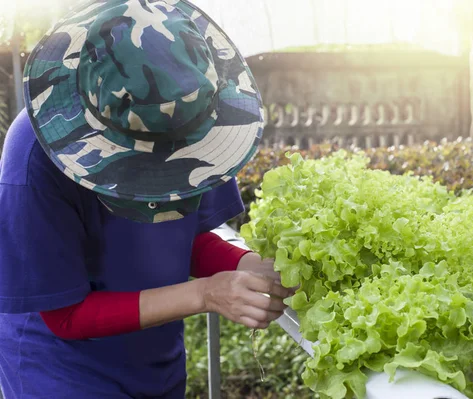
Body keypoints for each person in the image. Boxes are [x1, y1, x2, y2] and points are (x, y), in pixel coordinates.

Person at [0, 1, 294, 397]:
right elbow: (65, 316)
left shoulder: (197, 119)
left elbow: (182, 236)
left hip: (154, 360)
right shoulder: (36, 157)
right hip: (60, 369)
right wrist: (205, 294)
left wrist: (248, 265)